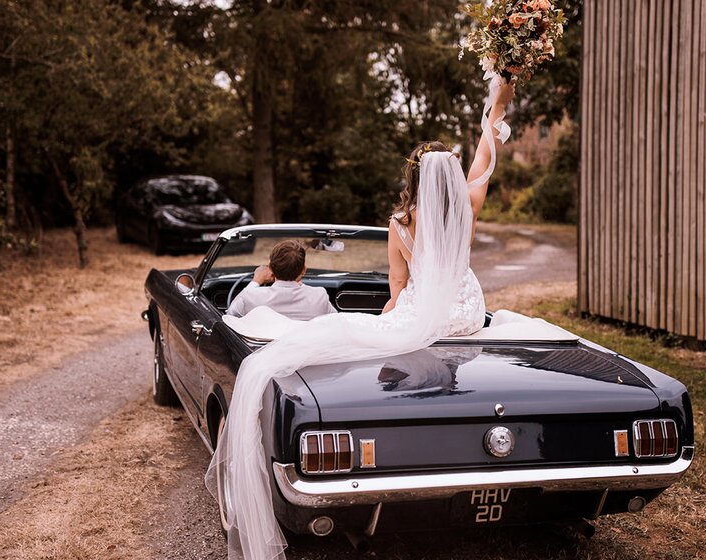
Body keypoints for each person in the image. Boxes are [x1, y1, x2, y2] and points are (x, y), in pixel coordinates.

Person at [206, 80, 516, 560]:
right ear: (451, 181)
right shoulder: (467, 211)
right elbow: (485, 154)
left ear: (414, 181)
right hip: (466, 311)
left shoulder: (399, 224)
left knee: (369, 328)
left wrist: (392, 317)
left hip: (422, 311)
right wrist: (501, 95)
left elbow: (396, 290)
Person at [225, 240, 336, 320]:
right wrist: (302, 286)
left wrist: (256, 281)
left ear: (271, 268)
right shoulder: (319, 296)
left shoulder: (250, 296)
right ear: (304, 270)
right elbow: (336, 321)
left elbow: (230, 317)